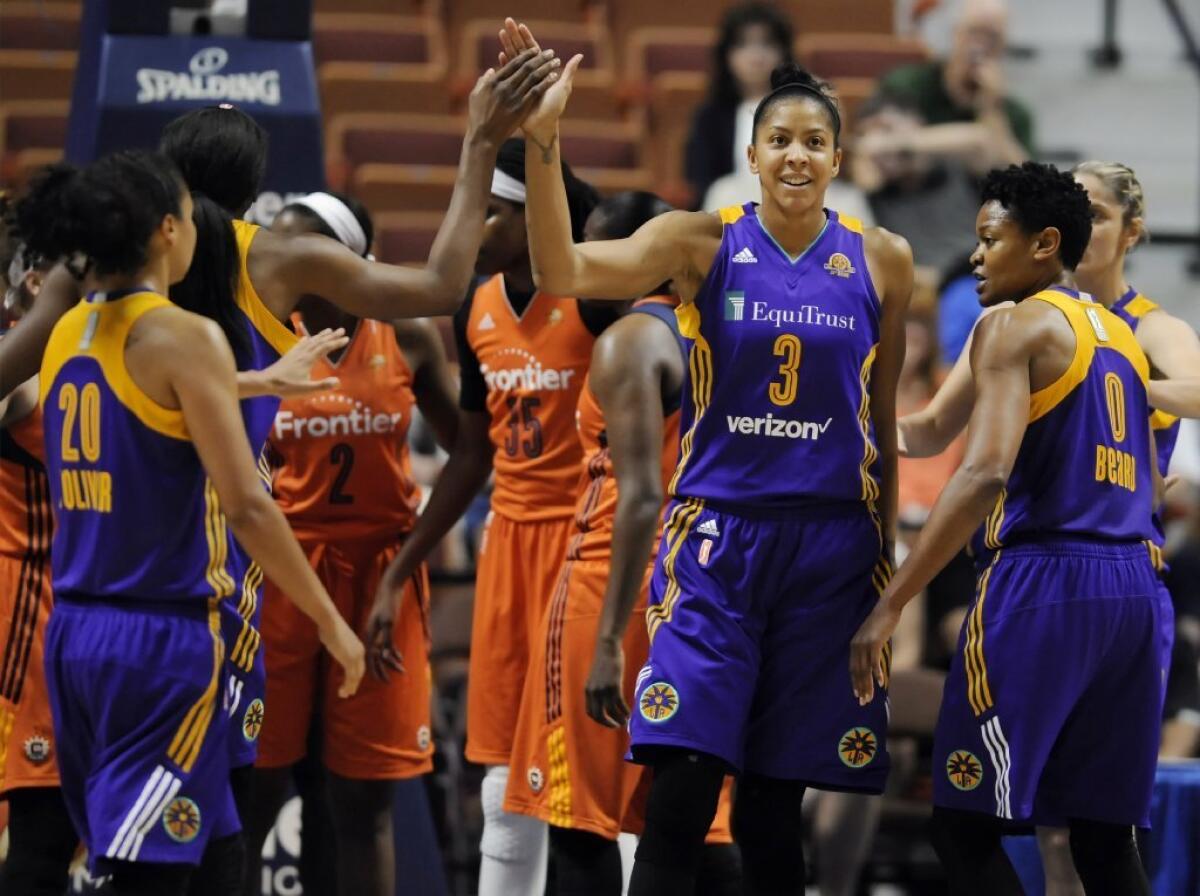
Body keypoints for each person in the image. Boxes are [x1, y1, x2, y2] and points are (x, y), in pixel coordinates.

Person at [498, 19, 913, 894]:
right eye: (780, 141)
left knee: (771, 806)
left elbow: (878, 422)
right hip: (721, 543)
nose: (796, 156)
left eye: (814, 142)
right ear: (752, 156)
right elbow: (563, 270)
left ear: (837, 159)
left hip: (830, 551)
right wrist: (543, 146)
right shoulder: (700, 241)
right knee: (682, 791)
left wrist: (887, 577)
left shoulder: (884, 261)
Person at [15, 150, 363, 895]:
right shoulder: (183, 334)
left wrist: (257, 380)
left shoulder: (70, 328)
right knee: (142, 872)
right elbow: (245, 505)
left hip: (75, 635)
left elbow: (145, 392)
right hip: (161, 643)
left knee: (211, 846)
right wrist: (330, 619)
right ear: (169, 229)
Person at [851, 162, 1166, 896]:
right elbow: (929, 431)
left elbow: (985, 470)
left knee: (960, 826)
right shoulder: (1120, 334)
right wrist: (851, 427)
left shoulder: (1011, 326)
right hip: (1134, 590)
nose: (975, 255)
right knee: (1102, 838)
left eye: (991, 239)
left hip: (1044, 586)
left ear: (1044, 243)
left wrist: (891, 601)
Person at [366, 137, 609, 896]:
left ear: (539, 215)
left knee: (592, 785)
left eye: (496, 214)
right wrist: (403, 566)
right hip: (510, 544)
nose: (478, 231)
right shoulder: (474, 305)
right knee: (504, 784)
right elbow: (472, 454)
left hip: (588, 546)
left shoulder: (601, 299)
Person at [501, 191, 741, 896]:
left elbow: (638, 495)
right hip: (706, 584)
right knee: (694, 824)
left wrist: (607, 639)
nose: (587, 262)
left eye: (601, 247)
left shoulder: (630, 339)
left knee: (580, 817)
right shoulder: (733, 335)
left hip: (614, 578)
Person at [242, 192, 458, 896]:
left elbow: (470, 450)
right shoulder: (262, 333)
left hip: (377, 575)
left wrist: (406, 564)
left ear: (350, 258)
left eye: (302, 246)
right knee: (257, 792)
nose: (284, 261)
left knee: (363, 805)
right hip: (279, 572)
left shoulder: (409, 333)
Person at [0, 239, 76, 896]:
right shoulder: (21, 381)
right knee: (28, 823)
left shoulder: (110, 359)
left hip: (93, 622)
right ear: (33, 285)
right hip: (24, 618)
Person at [876, 0, 1033, 167]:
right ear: (954, 33)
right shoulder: (907, 85)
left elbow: (1025, 179)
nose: (980, 45)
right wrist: (975, 141)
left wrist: (992, 109)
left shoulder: (1015, 113)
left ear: (1003, 46)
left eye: (992, 36)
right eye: (974, 32)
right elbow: (875, 146)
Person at [684, 2, 794, 208]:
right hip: (730, 214)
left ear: (784, 52)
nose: (756, 56)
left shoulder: (804, 110)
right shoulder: (709, 118)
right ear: (727, 55)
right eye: (743, 44)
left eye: (767, 43)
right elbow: (703, 184)